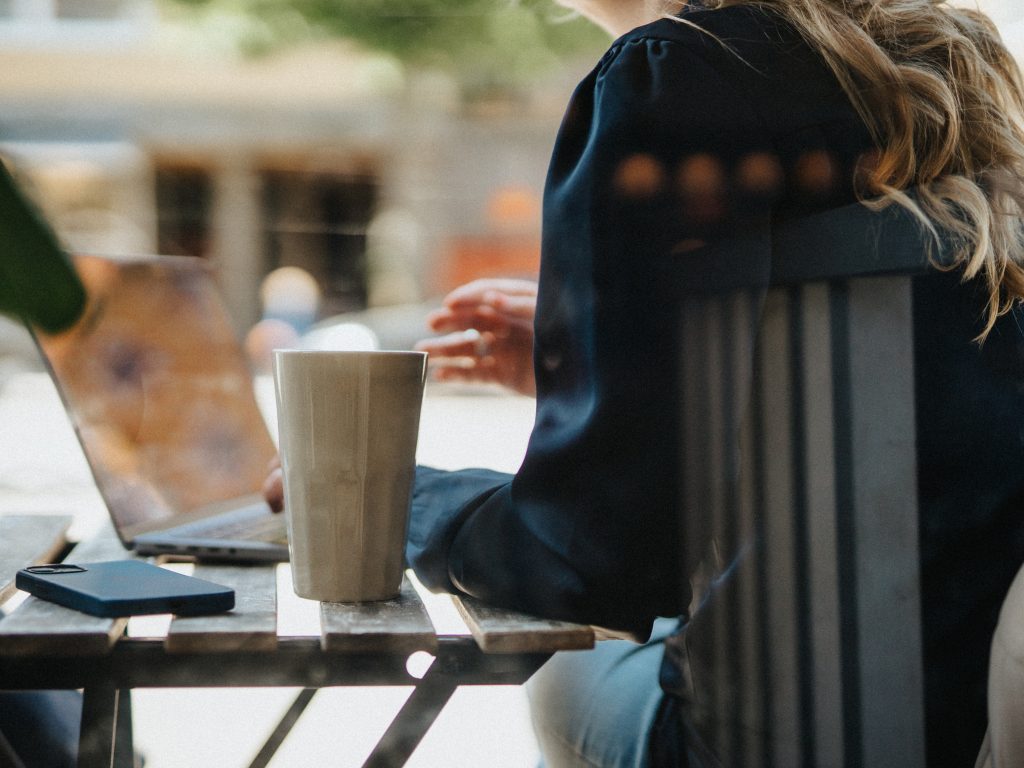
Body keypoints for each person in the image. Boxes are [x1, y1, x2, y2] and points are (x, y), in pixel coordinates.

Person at [264, 0, 1024, 765]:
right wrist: (625, 363)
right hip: (955, 710)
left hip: (773, 741)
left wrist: (392, 498)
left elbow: (591, 561)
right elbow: (918, 393)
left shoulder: (673, 77)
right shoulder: (933, 60)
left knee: (560, 667)